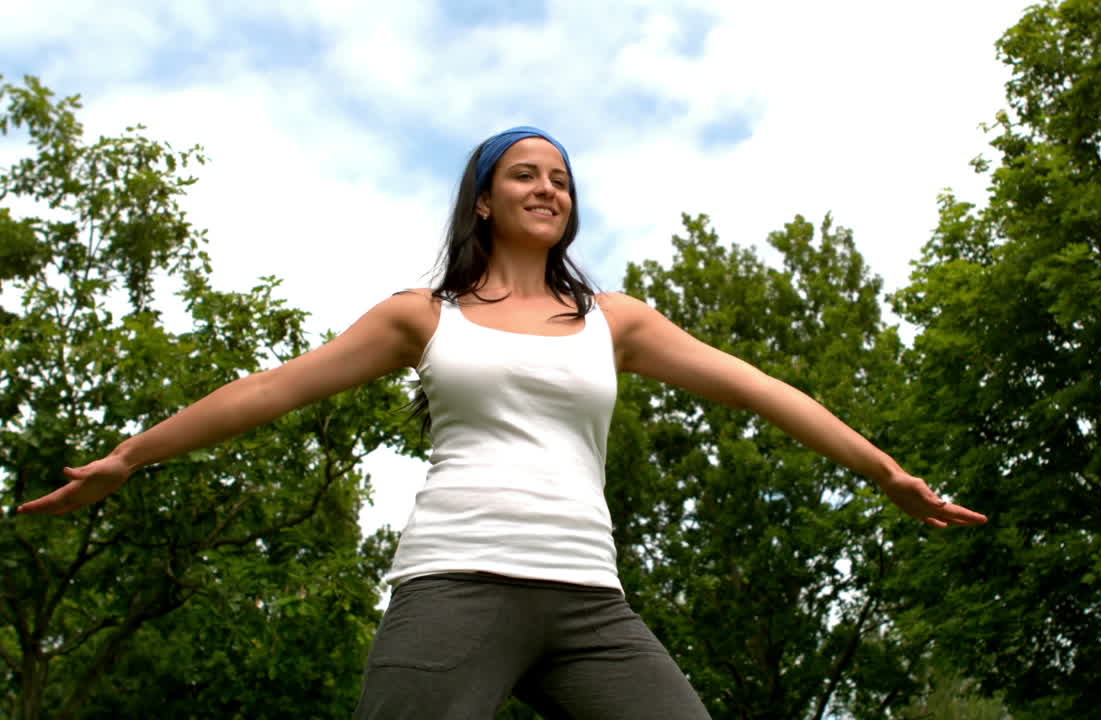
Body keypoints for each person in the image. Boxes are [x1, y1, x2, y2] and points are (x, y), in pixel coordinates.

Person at [18, 126, 987, 718]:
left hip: (586, 601)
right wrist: (132, 456)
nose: (546, 188)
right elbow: (276, 386)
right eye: (524, 173)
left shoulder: (615, 321)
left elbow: (761, 389)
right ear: (483, 197)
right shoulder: (421, 314)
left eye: (560, 178)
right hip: (455, 582)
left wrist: (881, 471)